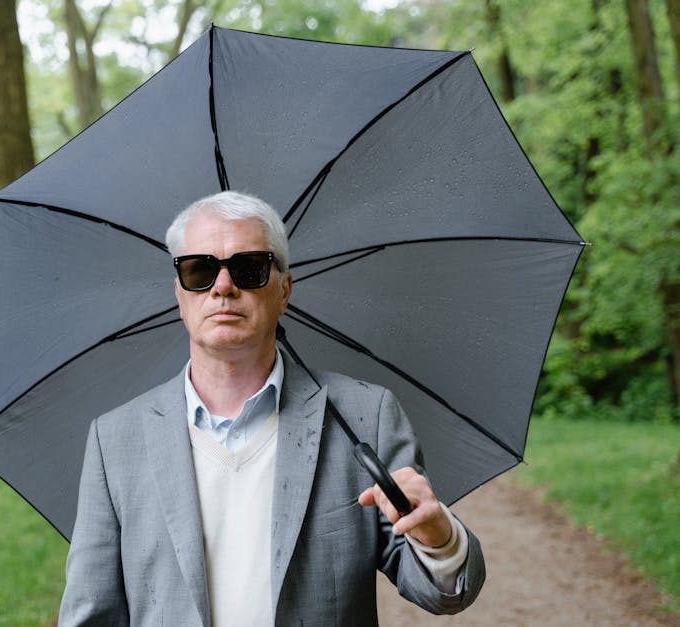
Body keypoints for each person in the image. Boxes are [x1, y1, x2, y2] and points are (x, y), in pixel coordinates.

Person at [58, 191, 485, 626]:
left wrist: (438, 537)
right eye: (199, 271)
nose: (223, 286)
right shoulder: (115, 441)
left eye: (249, 269)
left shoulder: (363, 416)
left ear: (284, 290)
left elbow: (444, 592)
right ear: (179, 295)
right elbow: (91, 614)